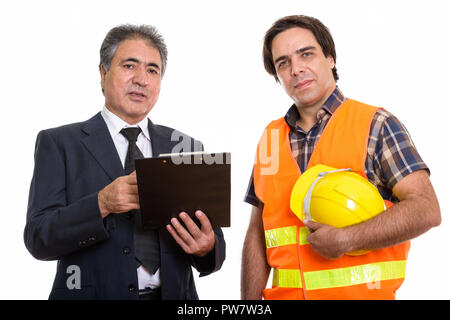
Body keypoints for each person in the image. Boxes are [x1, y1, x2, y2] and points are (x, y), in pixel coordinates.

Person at [241, 15, 440, 300]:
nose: (296, 69)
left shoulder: (376, 124)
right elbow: (256, 233)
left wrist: (348, 238)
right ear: (277, 75)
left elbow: (426, 209)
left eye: (306, 54)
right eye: (283, 63)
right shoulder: (270, 137)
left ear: (330, 59)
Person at [24, 24, 225, 300]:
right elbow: (39, 238)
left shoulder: (187, 147)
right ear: (104, 73)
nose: (142, 79)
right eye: (130, 66)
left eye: (152, 70)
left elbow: (214, 244)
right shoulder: (59, 143)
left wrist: (207, 246)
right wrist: (101, 204)